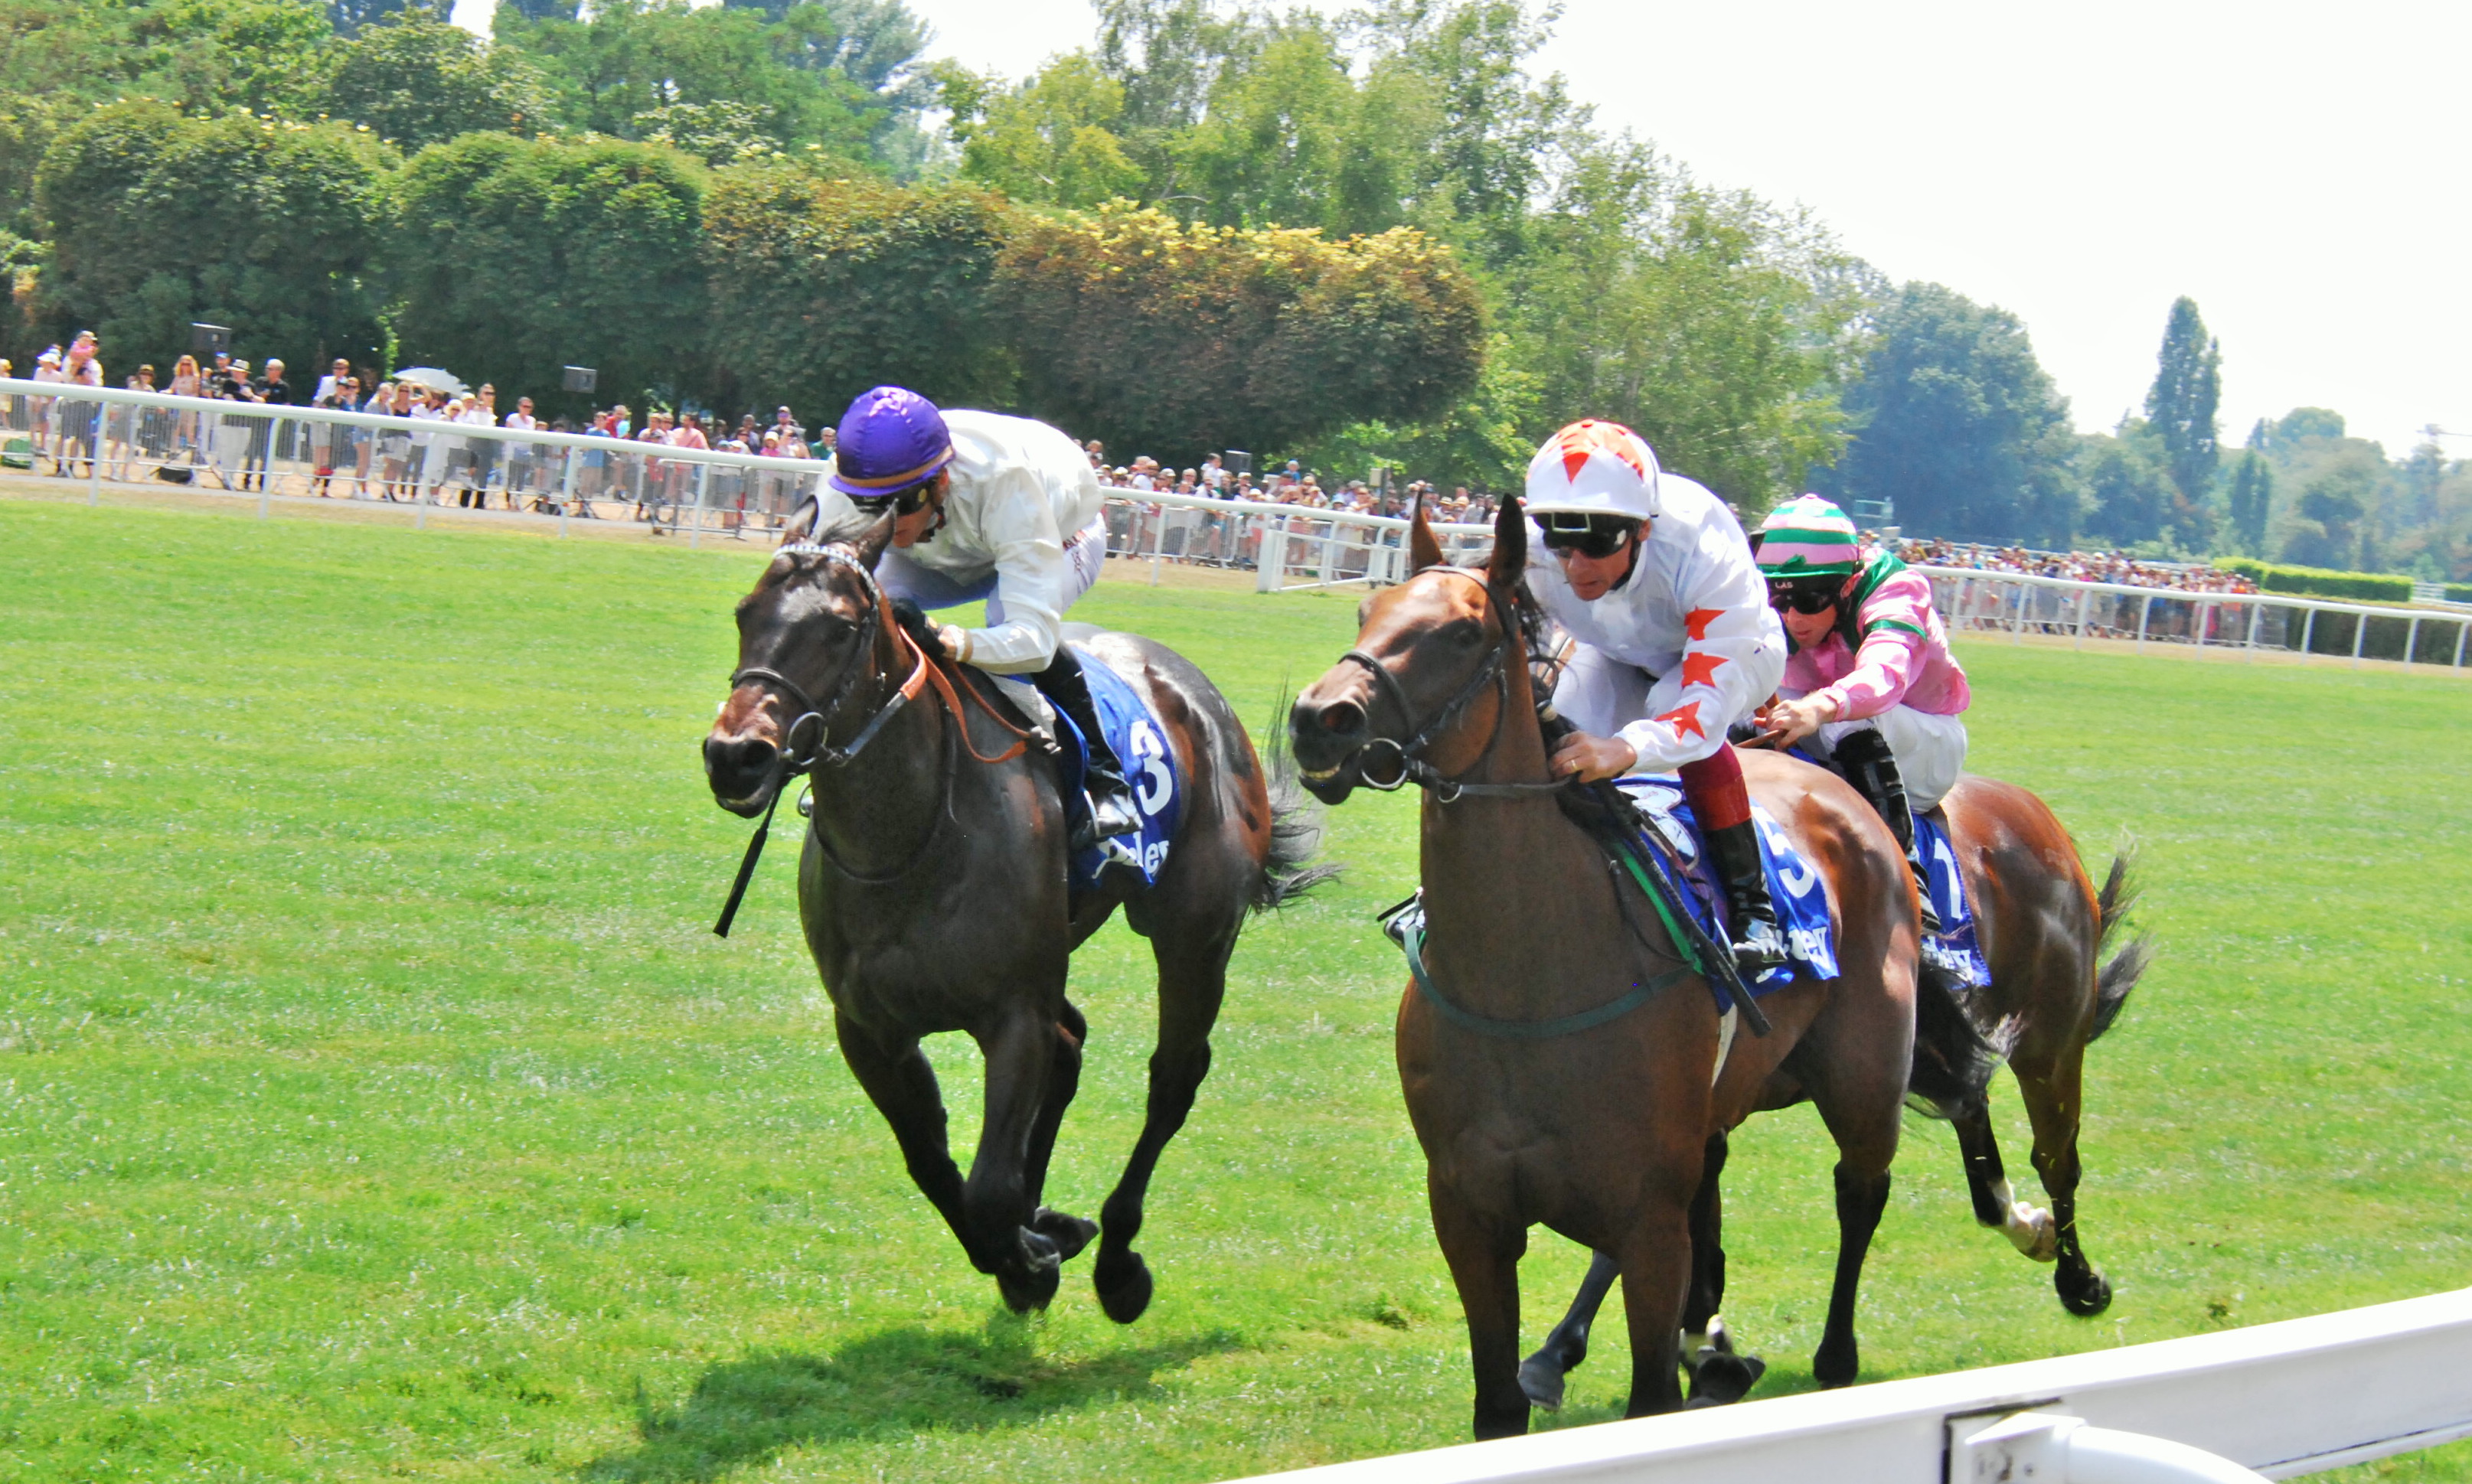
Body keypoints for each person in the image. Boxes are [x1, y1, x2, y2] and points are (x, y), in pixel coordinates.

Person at [1520, 419, 1790, 971]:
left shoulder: (1704, 550)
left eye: (1596, 543)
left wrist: (1626, 749)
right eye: (1559, 540)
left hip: (1735, 655)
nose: (1574, 565)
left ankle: (1752, 909)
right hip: (1617, 652)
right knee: (1551, 739)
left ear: (1642, 528)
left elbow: (1703, 707)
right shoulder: (1532, 549)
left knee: (1668, 715)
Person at [825, 385, 1141, 857]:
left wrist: (948, 640)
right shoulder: (847, 478)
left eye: (902, 504)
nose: (888, 523)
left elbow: (1033, 640)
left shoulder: (1005, 482)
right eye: (872, 507)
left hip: (1058, 531)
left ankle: (1105, 777)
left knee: (1003, 619)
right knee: (870, 605)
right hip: (953, 542)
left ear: (941, 482)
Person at [1751, 494, 1970, 921]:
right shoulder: (1782, 601)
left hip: (1923, 744)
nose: (1793, 616)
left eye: (1811, 600)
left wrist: (1822, 706)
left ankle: (1906, 877)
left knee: (1845, 722)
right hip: (1831, 727)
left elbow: (1885, 675)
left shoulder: (1897, 589)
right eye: (1781, 598)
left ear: (1848, 585)